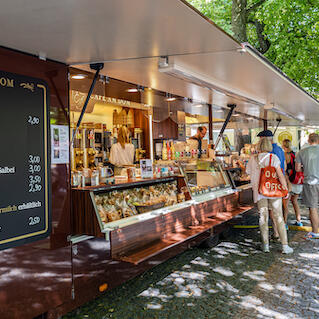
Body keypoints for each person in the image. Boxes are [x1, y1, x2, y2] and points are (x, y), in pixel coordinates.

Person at [247, 137, 293, 254]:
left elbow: (248, 173)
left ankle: (266, 245)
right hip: (273, 190)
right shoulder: (274, 158)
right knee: (279, 217)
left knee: (263, 217)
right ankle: (285, 246)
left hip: (259, 191)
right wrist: (285, 189)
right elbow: (280, 175)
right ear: (269, 146)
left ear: (258, 146)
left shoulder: (253, 159)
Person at [257, 129, 287, 238]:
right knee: (278, 211)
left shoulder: (270, 152)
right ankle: (279, 234)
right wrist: (284, 187)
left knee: (271, 213)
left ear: (264, 138)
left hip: (270, 184)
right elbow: (284, 166)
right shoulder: (279, 149)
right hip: (278, 184)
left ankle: (276, 233)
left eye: (260, 138)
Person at [296, 133, 319, 239]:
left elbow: (297, 169)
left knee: (313, 208)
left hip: (310, 183)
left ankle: (315, 232)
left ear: (309, 140)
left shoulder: (302, 152)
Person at [282, 139, 303, 226]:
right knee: (294, 201)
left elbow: (285, 168)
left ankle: (284, 223)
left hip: (289, 181)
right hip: (297, 181)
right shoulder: (296, 153)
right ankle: (299, 221)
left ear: (283, 145)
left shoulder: (285, 155)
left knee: (285, 204)